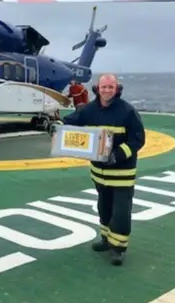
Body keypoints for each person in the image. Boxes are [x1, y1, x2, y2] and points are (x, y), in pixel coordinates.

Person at [49, 74, 145, 266]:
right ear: (97, 89)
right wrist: (57, 127)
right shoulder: (89, 110)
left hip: (122, 175)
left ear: (117, 88)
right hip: (99, 174)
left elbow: (138, 139)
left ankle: (118, 249)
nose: (107, 90)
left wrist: (117, 155)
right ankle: (106, 239)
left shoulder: (128, 111)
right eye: (104, 87)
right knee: (104, 207)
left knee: (121, 212)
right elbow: (71, 121)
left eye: (111, 87)